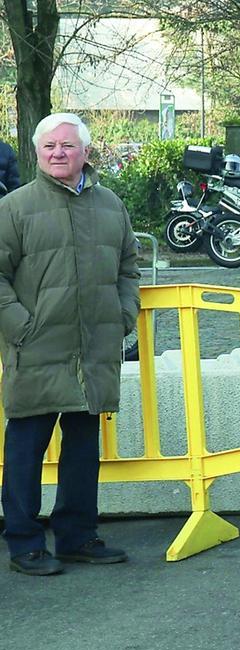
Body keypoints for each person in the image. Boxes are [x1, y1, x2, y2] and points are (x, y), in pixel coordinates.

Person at [0, 113, 140, 575]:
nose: (58, 153)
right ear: (38, 153)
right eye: (49, 147)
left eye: (67, 145)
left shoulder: (110, 205)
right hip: (36, 348)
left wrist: (122, 315)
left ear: (85, 152)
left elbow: (127, 268)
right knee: (26, 447)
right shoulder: (15, 208)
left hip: (92, 349)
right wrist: (21, 326)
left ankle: (78, 536)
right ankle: (24, 543)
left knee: (83, 449)